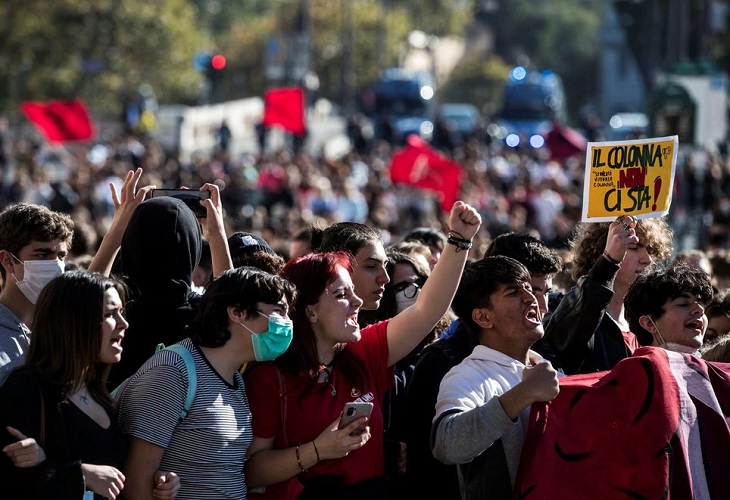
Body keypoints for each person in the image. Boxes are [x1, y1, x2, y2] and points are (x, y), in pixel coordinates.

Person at [244, 201, 481, 499]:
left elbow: (427, 310)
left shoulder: (363, 351)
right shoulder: (270, 375)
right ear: (311, 311)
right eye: (343, 294)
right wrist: (320, 449)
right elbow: (252, 469)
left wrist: (460, 240)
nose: (357, 303)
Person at [405, 231, 562, 500]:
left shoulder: (542, 366)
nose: (531, 298)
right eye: (514, 292)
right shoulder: (466, 375)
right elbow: (447, 443)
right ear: (483, 317)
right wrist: (523, 395)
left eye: (529, 288)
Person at [119, 267, 297, 499]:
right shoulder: (173, 371)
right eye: (279, 311)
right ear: (237, 312)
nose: (287, 323)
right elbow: (136, 482)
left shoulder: (235, 379)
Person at [0, 271, 179, 499]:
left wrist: (160, 481)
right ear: (75, 322)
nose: (124, 324)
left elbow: (112, 474)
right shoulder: (27, 388)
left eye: (122, 313)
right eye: (110, 314)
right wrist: (80, 475)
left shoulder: (98, 392)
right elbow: (10, 479)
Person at [108, 181, 233, 387]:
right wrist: (217, 234)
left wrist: (116, 231)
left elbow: (84, 298)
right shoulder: (203, 316)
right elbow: (230, 300)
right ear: (193, 248)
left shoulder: (111, 316)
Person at [542, 215, 673, 374]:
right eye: (633, 247)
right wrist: (609, 261)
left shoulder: (648, 322)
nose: (647, 260)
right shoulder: (566, 310)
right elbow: (566, 340)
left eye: (651, 250)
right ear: (601, 251)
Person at [0, 202, 74, 386]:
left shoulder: (58, 323)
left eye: (61, 256)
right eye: (42, 255)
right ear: (8, 260)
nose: (56, 265)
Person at [624, 263, 714, 355]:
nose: (700, 310)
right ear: (650, 323)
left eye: (702, 305)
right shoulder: (633, 368)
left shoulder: (717, 369)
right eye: (683, 304)